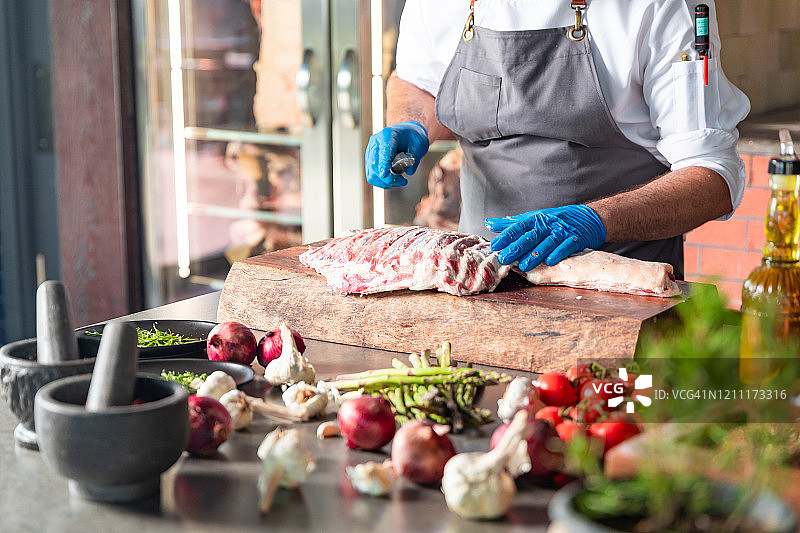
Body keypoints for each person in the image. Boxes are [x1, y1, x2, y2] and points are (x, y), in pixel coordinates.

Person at [364, 0, 750, 279]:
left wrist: (595, 220)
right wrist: (412, 123)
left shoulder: (661, 5)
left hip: (619, 287)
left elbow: (712, 176)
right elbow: (416, 79)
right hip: (478, 279)